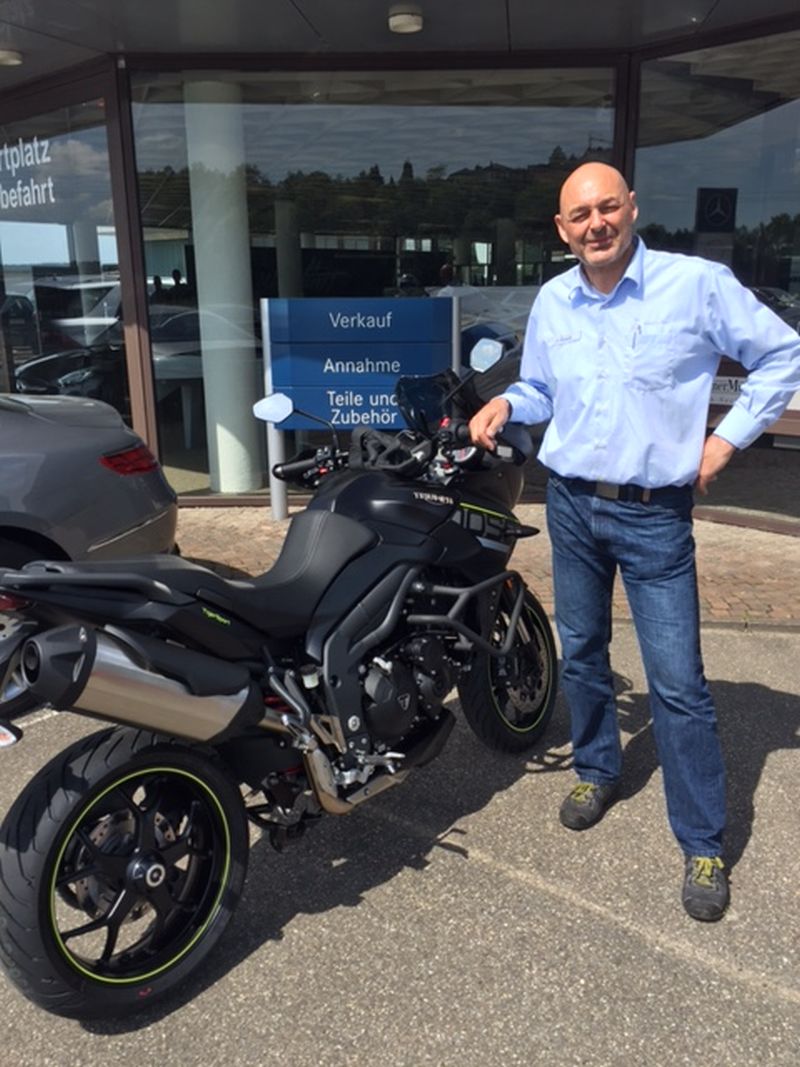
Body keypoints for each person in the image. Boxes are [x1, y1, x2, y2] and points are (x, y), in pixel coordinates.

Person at [469, 162, 800, 922]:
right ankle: (597, 768)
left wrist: (726, 440)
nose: (596, 224)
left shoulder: (695, 285)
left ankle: (703, 841)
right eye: (580, 215)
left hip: (655, 517)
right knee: (584, 653)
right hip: (571, 505)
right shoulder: (554, 299)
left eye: (607, 207)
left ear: (632, 208)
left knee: (677, 683)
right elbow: (542, 388)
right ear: (562, 229)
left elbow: (783, 353)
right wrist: (507, 403)